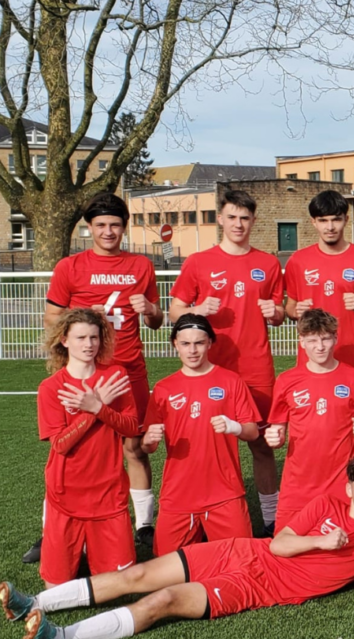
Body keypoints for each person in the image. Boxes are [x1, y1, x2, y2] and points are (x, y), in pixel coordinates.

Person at [4, 454, 354, 639]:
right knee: (138, 575)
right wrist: (321, 542)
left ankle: (57, 638)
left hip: (257, 585)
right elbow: (280, 543)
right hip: (242, 550)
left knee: (163, 600)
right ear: (349, 488)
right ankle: (33, 603)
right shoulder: (325, 505)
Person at [32, 193, 162, 562]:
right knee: (69, 450)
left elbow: (155, 321)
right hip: (82, 372)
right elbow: (53, 320)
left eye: (115, 225)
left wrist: (151, 309)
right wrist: (76, 358)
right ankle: (51, 529)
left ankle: (143, 525)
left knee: (134, 447)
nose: (108, 232)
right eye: (101, 225)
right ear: (89, 228)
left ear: (124, 227)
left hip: (128, 369)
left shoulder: (140, 265)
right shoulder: (69, 266)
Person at [169, 189, 285, 536]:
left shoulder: (267, 264)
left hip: (256, 367)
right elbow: (175, 309)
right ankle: (202, 514)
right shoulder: (198, 262)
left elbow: (279, 313)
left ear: (253, 221)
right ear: (220, 218)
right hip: (209, 369)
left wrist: (275, 311)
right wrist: (194, 311)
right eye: (232, 217)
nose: (238, 224)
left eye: (245, 218)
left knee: (261, 445)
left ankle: (271, 518)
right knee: (207, 444)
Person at [36, 308, 138, 587]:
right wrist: (94, 411)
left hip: (108, 491)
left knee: (119, 586)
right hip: (65, 493)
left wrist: (97, 407)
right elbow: (60, 444)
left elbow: (131, 428)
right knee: (55, 588)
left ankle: (92, 552)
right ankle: (74, 554)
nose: (89, 344)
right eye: (80, 337)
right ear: (64, 340)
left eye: (94, 337)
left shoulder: (115, 376)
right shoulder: (51, 388)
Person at [142, 314, 260, 556]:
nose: (192, 350)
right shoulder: (164, 388)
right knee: (164, 570)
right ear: (175, 343)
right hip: (178, 494)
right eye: (185, 343)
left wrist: (234, 427)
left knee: (242, 565)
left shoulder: (231, 381)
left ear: (209, 343)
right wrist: (148, 440)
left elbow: (253, 432)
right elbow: (147, 448)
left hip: (225, 492)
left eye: (198, 343)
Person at [266, 309, 354, 529]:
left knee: (344, 547)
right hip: (297, 483)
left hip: (341, 480)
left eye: (325, 338)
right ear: (301, 342)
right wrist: (274, 438)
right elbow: (277, 431)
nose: (320, 346)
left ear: (335, 338)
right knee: (284, 548)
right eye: (312, 340)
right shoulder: (287, 380)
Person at [283, 190, 354, 391]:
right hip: (313, 361)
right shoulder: (298, 261)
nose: (330, 227)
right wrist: (295, 310)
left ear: (346, 219)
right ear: (313, 222)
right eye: (323, 220)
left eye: (336, 220)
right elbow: (289, 307)